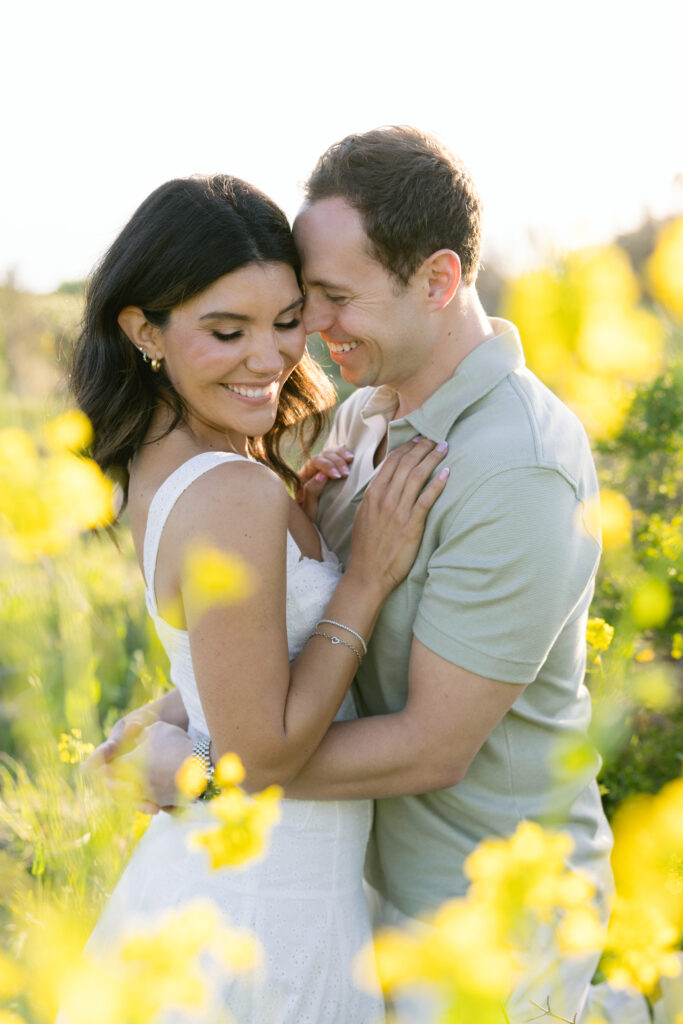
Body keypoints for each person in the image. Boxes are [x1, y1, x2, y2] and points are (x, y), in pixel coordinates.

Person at [98, 129, 615, 1024]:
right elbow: (279, 642)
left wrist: (207, 771)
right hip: (342, 893)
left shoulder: (514, 467)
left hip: (472, 913)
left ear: (439, 281)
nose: (306, 337)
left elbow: (431, 744)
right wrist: (175, 711)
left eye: (329, 301)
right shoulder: (364, 419)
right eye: (310, 300)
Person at [66, 173, 449, 1024]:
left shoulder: (163, 465)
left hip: (229, 891)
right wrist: (362, 576)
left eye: (286, 324)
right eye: (226, 330)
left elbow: (222, 669)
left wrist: (298, 539)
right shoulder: (231, 490)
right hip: (267, 912)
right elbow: (262, 755)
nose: (270, 359)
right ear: (144, 331)